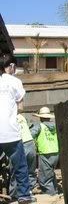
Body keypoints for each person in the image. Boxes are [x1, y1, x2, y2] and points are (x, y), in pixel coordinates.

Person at [0, 53, 36, 203]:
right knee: (21, 166)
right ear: (12, 66)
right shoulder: (15, 81)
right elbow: (20, 107)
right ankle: (24, 196)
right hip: (10, 132)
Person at [31, 107, 59, 195]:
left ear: (40, 117)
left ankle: (51, 196)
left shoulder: (39, 126)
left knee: (44, 180)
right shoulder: (55, 126)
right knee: (50, 174)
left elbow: (30, 135)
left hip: (45, 153)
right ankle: (56, 191)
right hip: (56, 153)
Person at [9, 113, 37, 198]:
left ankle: (14, 196)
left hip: (18, 143)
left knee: (16, 171)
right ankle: (29, 192)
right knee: (30, 171)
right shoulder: (21, 116)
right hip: (30, 143)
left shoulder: (8, 116)